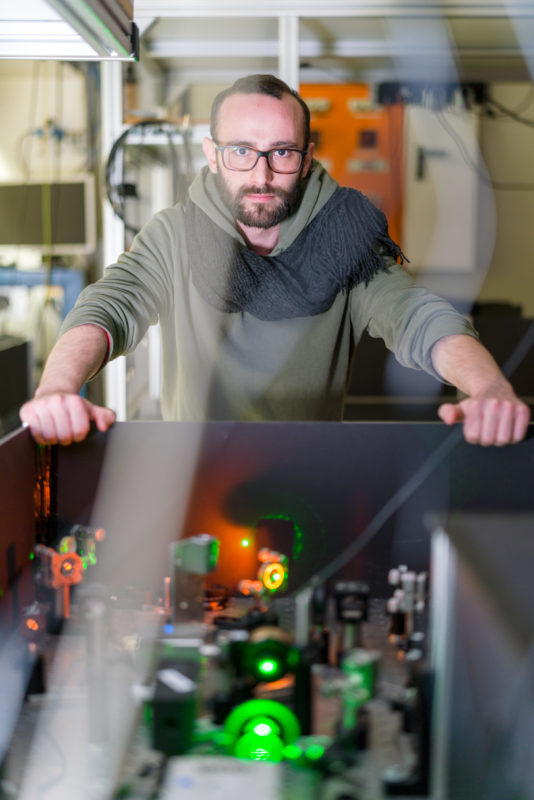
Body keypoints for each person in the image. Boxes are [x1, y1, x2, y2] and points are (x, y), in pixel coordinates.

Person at [20, 74, 530, 447]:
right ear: (212, 153)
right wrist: (58, 389)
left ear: (306, 158)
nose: (261, 174)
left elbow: (416, 315)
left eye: (281, 152)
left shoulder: (344, 239)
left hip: (309, 473)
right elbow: (108, 307)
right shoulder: (175, 234)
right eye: (242, 150)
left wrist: (487, 387)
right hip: (187, 477)